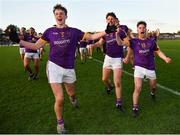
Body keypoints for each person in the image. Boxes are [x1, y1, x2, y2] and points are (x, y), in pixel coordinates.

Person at [5, 4, 116, 133]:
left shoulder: (74, 31)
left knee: (71, 93)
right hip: (54, 67)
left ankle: (73, 99)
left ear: (66, 16)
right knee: (59, 98)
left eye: (61, 13)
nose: (59, 15)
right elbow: (35, 46)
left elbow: (91, 37)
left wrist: (106, 31)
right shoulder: (49, 32)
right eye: (56, 14)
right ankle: (60, 124)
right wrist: (18, 41)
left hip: (69, 68)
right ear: (54, 16)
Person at [128, 21, 171, 117]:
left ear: (146, 29)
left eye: (143, 27)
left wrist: (165, 58)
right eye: (140, 28)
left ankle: (152, 93)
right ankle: (135, 107)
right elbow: (121, 42)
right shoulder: (133, 41)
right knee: (138, 87)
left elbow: (158, 51)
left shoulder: (151, 41)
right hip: (138, 67)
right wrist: (118, 34)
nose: (142, 29)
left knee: (153, 87)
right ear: (137, 30)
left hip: (150, 68)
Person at [90, 13, 130, 112]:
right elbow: (100, 42)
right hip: (108, 58)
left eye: (112, 19)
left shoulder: (120, 31)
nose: (110, 20)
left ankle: (119, 103)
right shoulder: (106, 32)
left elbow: (128, 42)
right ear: (106, 21)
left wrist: (121, 41)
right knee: (104, 79)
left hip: (117, 59)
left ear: (115, 20)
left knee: (117, 82)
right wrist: (92, 46)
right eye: (108, 19)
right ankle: (109, 86)